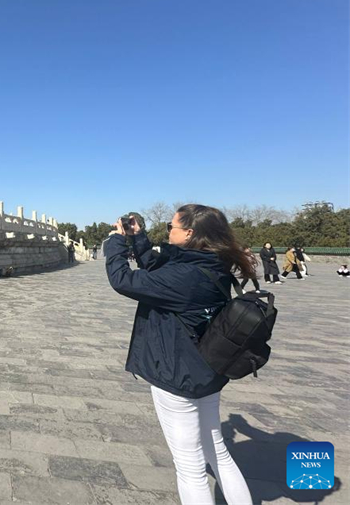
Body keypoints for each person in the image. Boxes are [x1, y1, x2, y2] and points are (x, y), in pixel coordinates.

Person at [103, 204, 253, 505]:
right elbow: (159, 267)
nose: (167, 230)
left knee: (191, 469)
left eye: (172, 226)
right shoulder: (211, 264)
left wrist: (116, 243)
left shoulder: (184, 276)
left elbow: (123, 280)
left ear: (190, 233)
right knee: (217, 451)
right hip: (208, 369)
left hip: (177, 374)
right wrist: (139, 237)